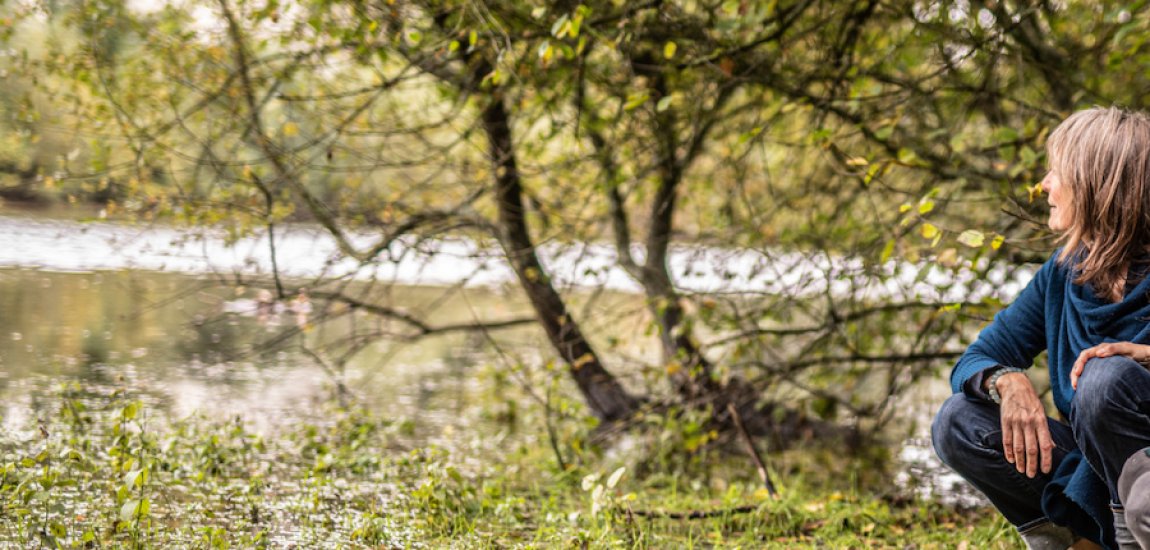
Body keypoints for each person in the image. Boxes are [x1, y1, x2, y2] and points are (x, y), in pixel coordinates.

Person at [932, 107, 1150, 550]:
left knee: (1104, 380)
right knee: (959, 420)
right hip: (1094, 472)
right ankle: (1066, 541)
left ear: (1097, 183)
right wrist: (1005, 380)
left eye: (1057, 172)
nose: (1044, 184)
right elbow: (975, 359)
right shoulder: (1066, 272)